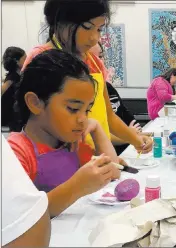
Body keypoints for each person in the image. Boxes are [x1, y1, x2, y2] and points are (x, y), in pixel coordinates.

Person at [22, 0, 152, 154]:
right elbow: (31, 126)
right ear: (60, 21)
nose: (94, 38)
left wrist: (136, 140)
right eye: (87, 27)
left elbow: (108, 116)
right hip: (58, 162)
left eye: (99, 29)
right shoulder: (41, 59)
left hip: (98, 156)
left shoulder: (94, 62)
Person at [8, 49, 120, 218]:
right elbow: (21, 216)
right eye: (73, 109)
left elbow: (113, 171)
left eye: (87, 110)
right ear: (35, 103)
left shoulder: (70, 143)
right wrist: (77, 186)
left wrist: (96, 128)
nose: (83, 119)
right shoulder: (17, 152)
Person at [89, 42, 142, 154]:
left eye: (100, 56)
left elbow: (117, 114)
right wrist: (131, 136)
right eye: (91, 57)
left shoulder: (106, 86)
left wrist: (137, 136)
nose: (98, 62)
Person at [1, 135, 51, 247]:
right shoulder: (18, 147)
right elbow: (27, 212)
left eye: (86, 115)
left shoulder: (73, 146)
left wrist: (96, 131)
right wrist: (78, 185)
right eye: (72, 115)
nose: (82, 120)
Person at [1, 47, 26, 129]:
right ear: (17, 61)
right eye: (24, 59)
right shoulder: (12, 77)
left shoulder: (19, 75)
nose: (27, 61)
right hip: (9, 115)